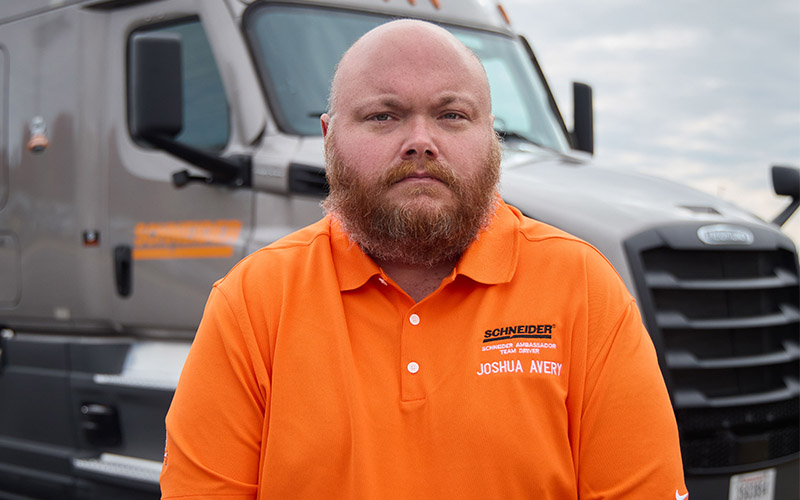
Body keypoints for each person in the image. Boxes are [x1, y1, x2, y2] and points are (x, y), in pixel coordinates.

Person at [160, 19, 688, 500]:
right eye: (383, 116)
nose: (420, 142)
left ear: (491, 137)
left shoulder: (585, 289)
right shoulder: (253, 302)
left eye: (451, 115)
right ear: (329, 140)